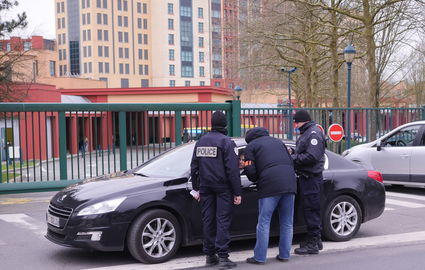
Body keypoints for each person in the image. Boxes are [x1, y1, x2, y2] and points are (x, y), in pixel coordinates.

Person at [190, 111, 242, 268]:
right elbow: (232, 170)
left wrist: (196, 188)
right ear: (225, 124)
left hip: (206, 187)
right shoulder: (226, 142)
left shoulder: (201, 142)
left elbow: (194, 167)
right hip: (223, 188)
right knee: (222, 221)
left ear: (212, 123)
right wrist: (237, 192)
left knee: (208, 221)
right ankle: (223, 257)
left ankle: (210, 255)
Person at [241, 127, 297, 265]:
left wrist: (255, 178)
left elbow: (250, 170)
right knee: (287, 222)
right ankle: (284, 255)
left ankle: (260, 257)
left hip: (269, 186)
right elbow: (291, 162)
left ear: (249, 139)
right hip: (290, 184)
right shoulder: (279, 142)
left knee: (264, 222)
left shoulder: (251, 147)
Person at [290, 110, 326, 255]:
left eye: (296, 122)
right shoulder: (307, 132)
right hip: (307, 177)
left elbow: (312, 156)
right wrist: (293, 152)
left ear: (302, 121)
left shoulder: (313, 134)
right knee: (309, 210)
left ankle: (313, 244)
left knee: (311, 210)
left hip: (311, 177)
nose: (295, 125)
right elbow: (304, 152)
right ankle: (315, 240)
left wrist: (293, 158)